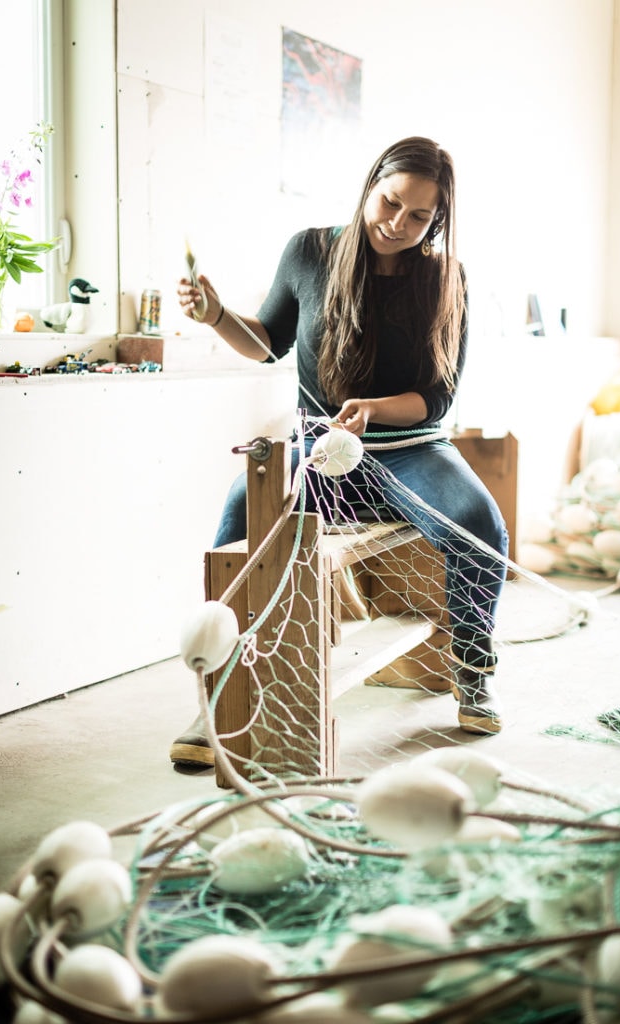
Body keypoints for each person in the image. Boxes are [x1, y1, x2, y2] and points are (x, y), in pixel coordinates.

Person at [172, 136, 509, 771]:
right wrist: (217, 314)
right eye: (390, 203)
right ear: (370, 186)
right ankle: (220, 695)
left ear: (438, 221)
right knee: (243, 512)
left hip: (410, 452)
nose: (397, 224)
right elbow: (266, 343)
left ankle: (472, 670)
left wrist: (372, 410)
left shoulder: (445, 277)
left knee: (481, 526)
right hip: (321, 450)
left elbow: (436, 400)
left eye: (419, 218)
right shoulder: (309, 250)